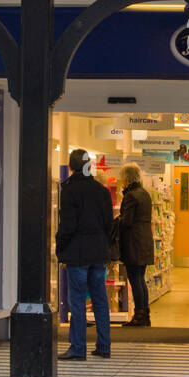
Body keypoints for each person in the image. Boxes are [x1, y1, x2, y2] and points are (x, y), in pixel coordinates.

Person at [56, 148, 114, 360]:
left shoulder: (70, 191)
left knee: (78, 301)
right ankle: (104, 346)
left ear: (71, 167)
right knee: (100, 300)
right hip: (98, 252)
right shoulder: (102, 191)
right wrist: (104, 245)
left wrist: (60, 249)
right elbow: (109, 224)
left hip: (77, 253)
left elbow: (67, 226)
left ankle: (78, 347)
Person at [117, 163, 155, 327]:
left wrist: (115, 220)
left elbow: (127, 221)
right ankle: (144, 314)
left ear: (126, 178)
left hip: (134, 242)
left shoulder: (131, 195)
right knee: (140, 278)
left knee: (135, 278)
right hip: (144, 240)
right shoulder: (145, 194)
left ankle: (139, 316)